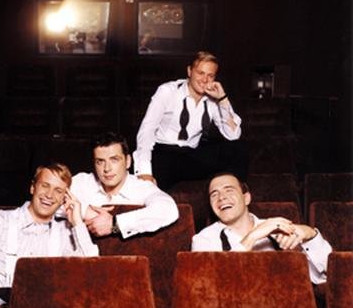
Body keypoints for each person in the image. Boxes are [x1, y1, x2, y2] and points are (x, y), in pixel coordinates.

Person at [0, 163, 99, 308]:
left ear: (65, 198)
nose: (49, 195)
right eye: (45, 185)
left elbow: (91, 272)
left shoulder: (65, 233)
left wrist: (77, 222)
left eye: (58, 190)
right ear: (33, 187)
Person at [133, 51, 246, 191]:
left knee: (238, 149)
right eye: (200, 73)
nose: (205, 80)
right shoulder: (168, 91)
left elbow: (233, 135)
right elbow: (147, 130)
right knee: (158, 180)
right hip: (164, 152)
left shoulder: (213, 98)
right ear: (189, 71)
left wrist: (222, 99)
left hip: (191, 155)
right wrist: (144, 171)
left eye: (210, 75)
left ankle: (235, 193)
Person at [192, 172, 332, 284]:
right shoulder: (203, 240)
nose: (221, 197)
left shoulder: (277, 228)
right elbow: (208, 285)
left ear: (246, 198)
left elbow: (321, 276)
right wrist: (252, 237)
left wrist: (311, 235)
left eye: (229, 190)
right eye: (214, 194)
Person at [70, 131, 179, 239]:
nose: (107, 168)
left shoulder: (141, 187)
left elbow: (168, 209)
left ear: (128, 162)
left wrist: (114, 224)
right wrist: (84, 211)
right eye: (100, 161)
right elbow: (59, 196)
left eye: (114, 160)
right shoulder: (83, 182)